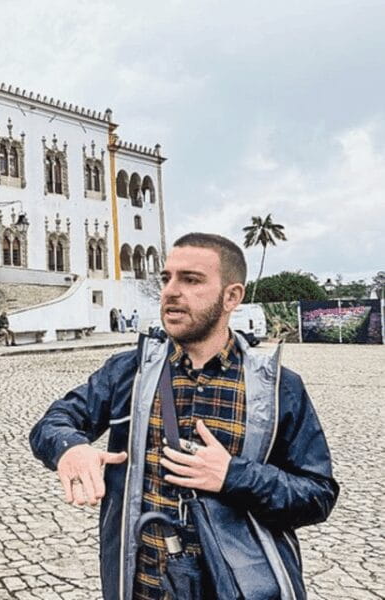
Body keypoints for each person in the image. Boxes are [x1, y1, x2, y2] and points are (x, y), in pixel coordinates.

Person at [29, 232, 338, 600]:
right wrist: (69, 448)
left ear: (232, 297)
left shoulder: (278, 387)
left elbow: (317, 494)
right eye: (167, 278)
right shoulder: (128, 373)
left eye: (191, 280)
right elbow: (54, 422)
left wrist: (233, 476)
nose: (170, 291)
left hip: (241, 587)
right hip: (142, 587)